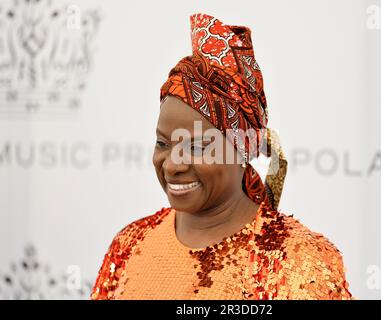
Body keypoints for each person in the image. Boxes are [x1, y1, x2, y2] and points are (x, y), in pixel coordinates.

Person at [90, 13, 352, 300]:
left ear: (243, 149)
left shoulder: (296, 260)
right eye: (163, 143)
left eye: (198, 147)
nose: (173, 164)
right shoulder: (130, 244)